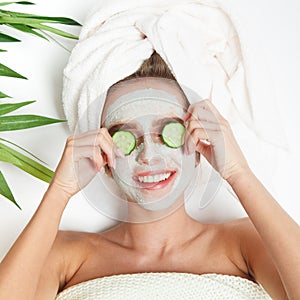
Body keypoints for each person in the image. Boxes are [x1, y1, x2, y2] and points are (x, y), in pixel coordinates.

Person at [0, 52, 299, 300]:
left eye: (167, 131)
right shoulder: (66, 255)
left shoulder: (244, 242)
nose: (148, 156)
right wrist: (60, 191)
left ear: (199, 142)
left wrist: (238, 173)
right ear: (103, 157)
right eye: (125, 137)